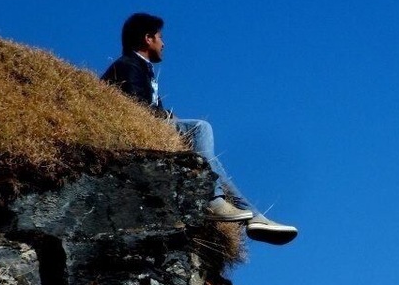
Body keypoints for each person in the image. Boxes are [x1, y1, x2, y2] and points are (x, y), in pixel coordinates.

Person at [101, 13, 297, 245]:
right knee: (200, 129)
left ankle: (255, 217)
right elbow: (137, 108)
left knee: (213, 163)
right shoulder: (127, 65)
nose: (164, 44)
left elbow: (153, 108)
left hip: (150, 127)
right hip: (133, 131)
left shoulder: (141, 68)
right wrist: (167, 119)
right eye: (160, 37)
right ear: (147, 38)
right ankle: (218, 202)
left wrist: (169, 116)